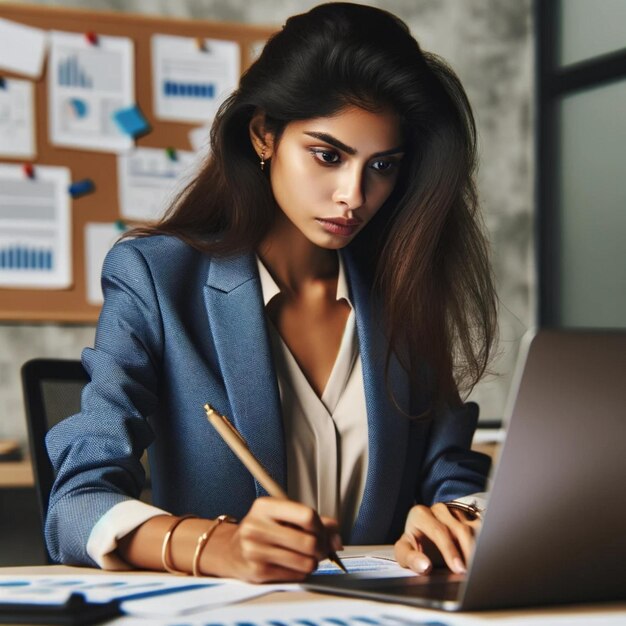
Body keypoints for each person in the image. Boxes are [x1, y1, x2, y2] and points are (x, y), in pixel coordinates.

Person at [45, 2, 497, 583]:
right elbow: (75, 504)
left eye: (381, 165)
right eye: (327, 156)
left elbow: (452, 471)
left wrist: (457, 518)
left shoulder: (402, 288)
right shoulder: (156, 279)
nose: (353, 195)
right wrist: (215, 546)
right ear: (264, 135)